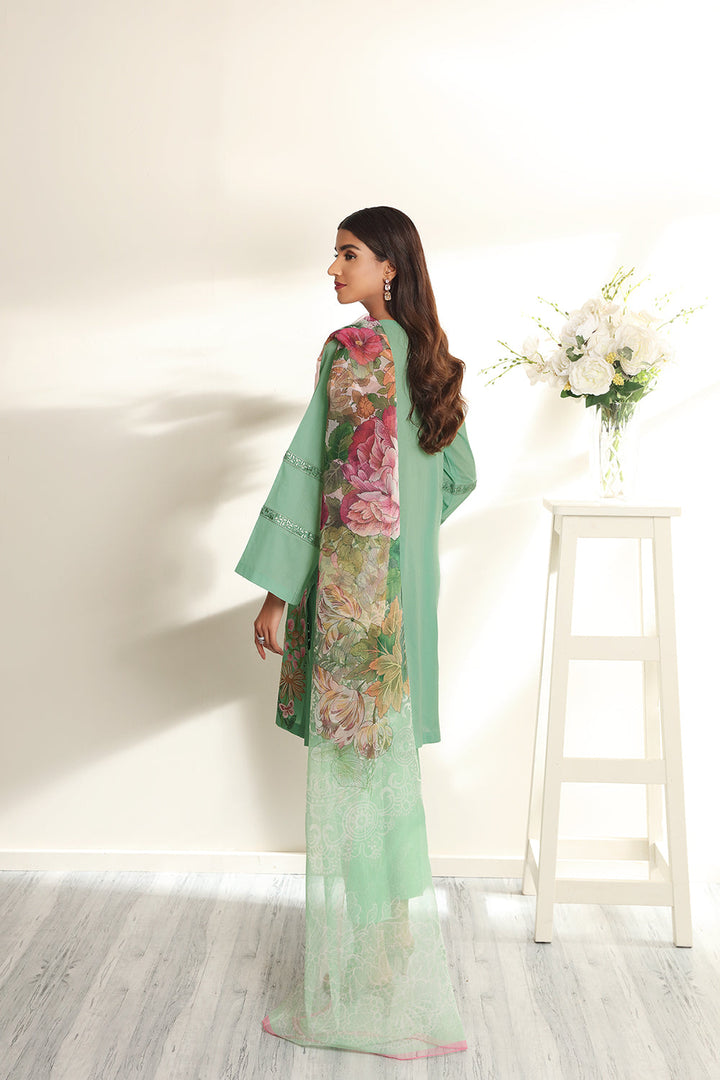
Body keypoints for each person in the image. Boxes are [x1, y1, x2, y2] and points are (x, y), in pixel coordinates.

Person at [235, 205, 476, 1059]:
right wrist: (407, 541)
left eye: (348, 254)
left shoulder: (353, 352)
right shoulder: (429, 358)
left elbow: (313, 475)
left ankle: (372, 953)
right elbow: (459, 473)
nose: (333, 270)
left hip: (353, 606)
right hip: (409, 601)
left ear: (389, 267)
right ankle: (393, 938)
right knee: (390, 768)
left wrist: (279, 592)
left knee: (356, 772)